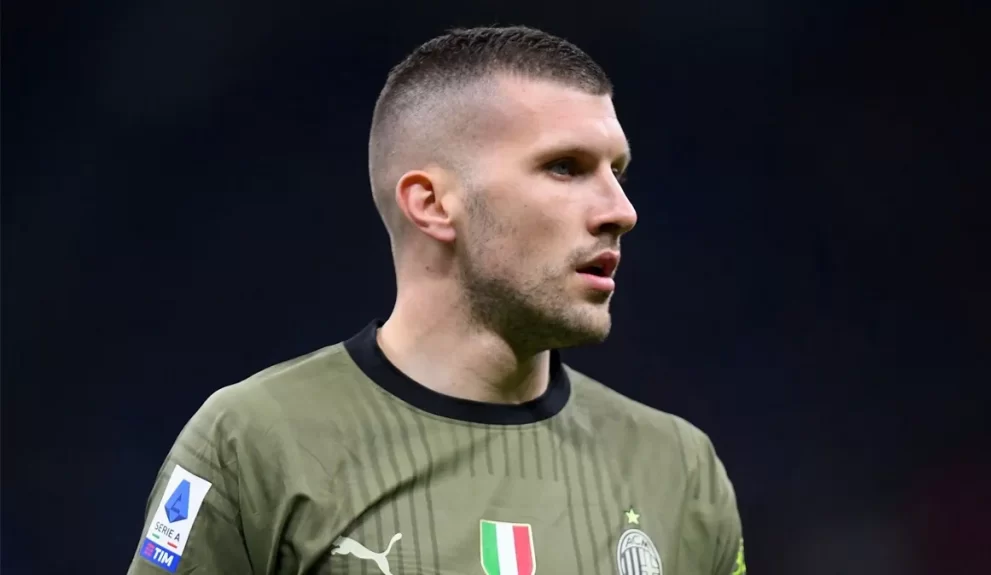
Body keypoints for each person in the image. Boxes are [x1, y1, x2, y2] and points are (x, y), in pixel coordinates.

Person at [127, 25, 746, 575]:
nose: (621, 211)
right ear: (432, 205)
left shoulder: (680, 468)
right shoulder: (255, 443)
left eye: (618, 172)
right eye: (565, 167)